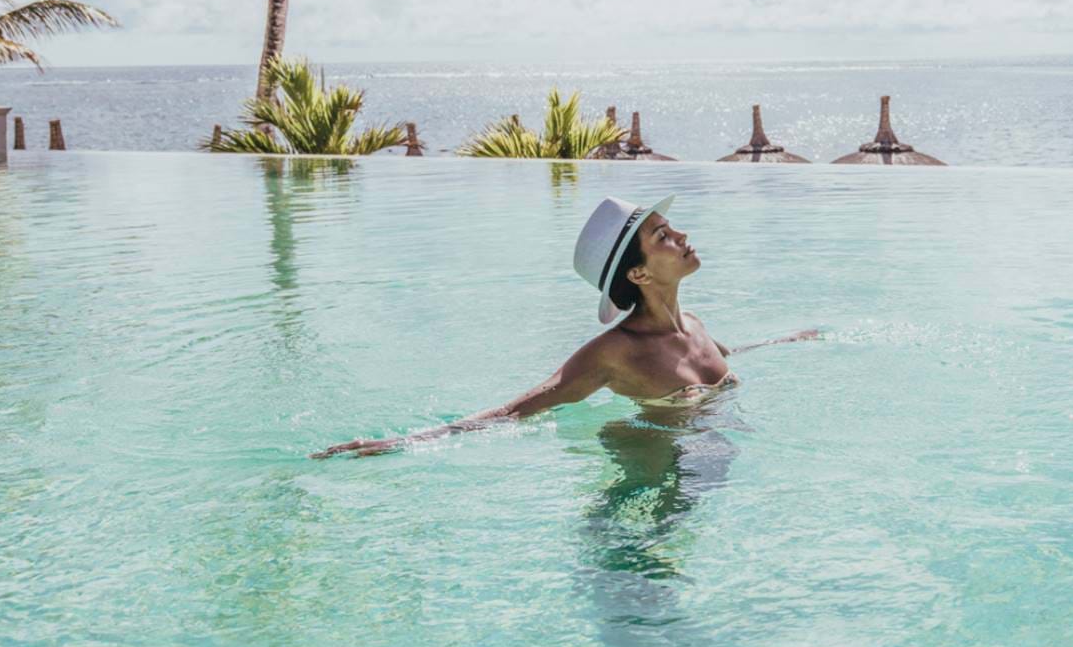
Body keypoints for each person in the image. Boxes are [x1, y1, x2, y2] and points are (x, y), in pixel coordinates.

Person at [313, 195, 819, 458]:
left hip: (709, 459)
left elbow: (727, 356)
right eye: (663, 235)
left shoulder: (695, 325)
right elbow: (516, 411)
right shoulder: (614, 353)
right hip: (652, 472)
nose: (682, 234)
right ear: (639, 274)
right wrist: (405, 441)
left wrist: (786, 341)